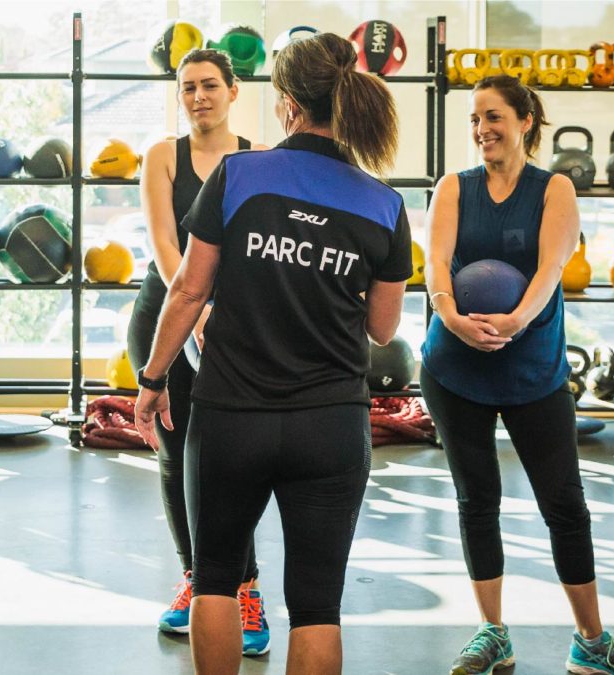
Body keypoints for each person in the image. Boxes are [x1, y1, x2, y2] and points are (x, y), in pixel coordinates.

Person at [135, 33, 410, 675]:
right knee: (317, 606)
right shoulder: (384, 203)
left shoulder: (239, 174)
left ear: (286, 104)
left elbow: (188, 290)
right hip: (331, 426)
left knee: (215, 580)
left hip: (233, 417)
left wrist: (152, 381)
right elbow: (382, 327)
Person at [421, 74, 614, 675]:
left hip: (533, 366)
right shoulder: (452, 187)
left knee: (565, 505)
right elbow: (436, 266)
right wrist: (450, 317)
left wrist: (515, 322)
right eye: (475, 119)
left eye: (494, 117)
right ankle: (493, 633)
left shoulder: (554, 189)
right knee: (477, 500)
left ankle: (591, 640)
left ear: (526, 121)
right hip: (455, 365)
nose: (482, 130)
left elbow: (551, 268)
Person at [127, 47, 271, 654]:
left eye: (210, 85)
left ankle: (246, 587)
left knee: (234, 459)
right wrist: (196, 308)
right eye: (188, 88)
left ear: (234, 91)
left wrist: (221, 311)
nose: (198, 97)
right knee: (173, 453)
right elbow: (165, 244)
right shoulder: (163, 156)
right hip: (168, 314)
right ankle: (194, 578)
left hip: (231, 326)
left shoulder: (259, 159)